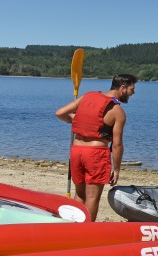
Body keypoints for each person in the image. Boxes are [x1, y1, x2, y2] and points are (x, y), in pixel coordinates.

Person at [55, 74, 137, 221]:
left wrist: (75, 121)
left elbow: (60, 113)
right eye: (132, 88)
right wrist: (116, 169)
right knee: (92, 197)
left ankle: (72, 228)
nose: (133, 92)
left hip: (76, 151)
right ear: (122, 88)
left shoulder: (88, 96)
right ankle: (86, 232)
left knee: (79, 194)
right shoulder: (117, 111)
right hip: (95, 154)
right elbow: (117, 144)